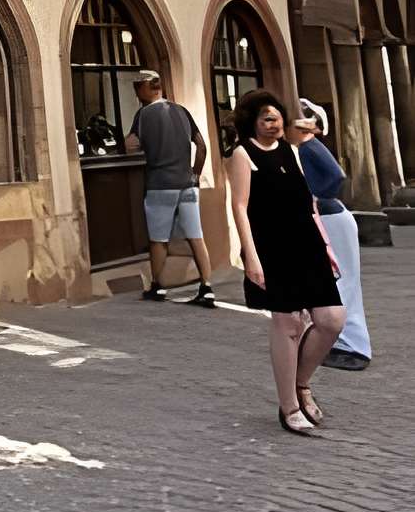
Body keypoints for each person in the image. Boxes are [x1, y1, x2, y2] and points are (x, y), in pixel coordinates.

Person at [227, 87, 344, 434]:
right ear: (252, 122)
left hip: (307, 244)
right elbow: (240, 207)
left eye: (277, 116)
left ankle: (301, 382)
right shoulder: (242, 155)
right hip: (272, 248)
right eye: (266, 118)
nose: (274, 122)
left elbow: (310, 203)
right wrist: (250, 255)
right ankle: (289, 406)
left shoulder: (292, 151)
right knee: (288, 324)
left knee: (332, 319)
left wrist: (327, 246)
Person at [287, 99, 370, 372]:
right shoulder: (305, 148)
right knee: (337, 279)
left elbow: (336, 176)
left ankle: (352, 345)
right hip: (329, 216)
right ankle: (344, 342)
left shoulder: (310, 147)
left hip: (331, 216)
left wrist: (315, 194)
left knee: (341, 280)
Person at [125, 69, 215, 306]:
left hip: (160, 186)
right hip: (187, 185)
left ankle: (158, 286)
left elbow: (129, 145)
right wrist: (195, 173)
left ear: (145, 88)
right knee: (196, 236)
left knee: (159, 239)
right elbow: (202, 146)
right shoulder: (182, 111)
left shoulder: (143, 115)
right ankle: (206, 287)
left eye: (137, 88)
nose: (136, 93)